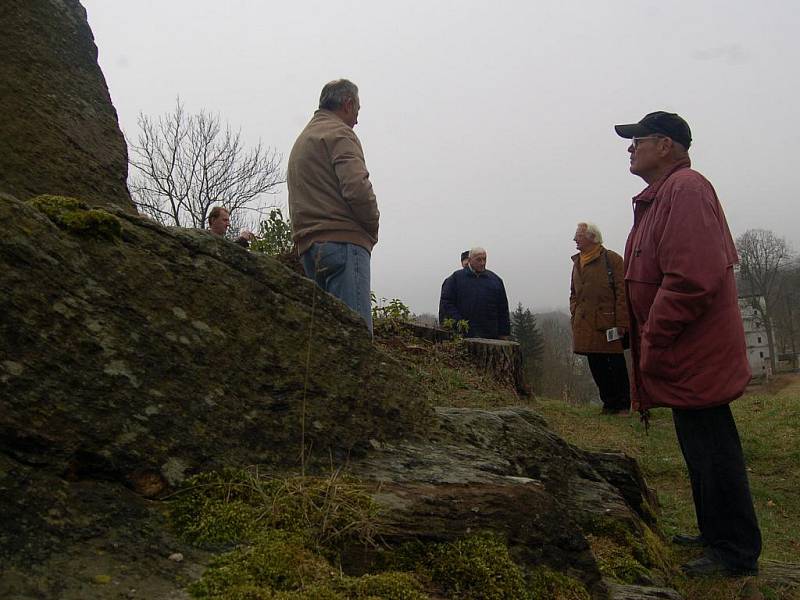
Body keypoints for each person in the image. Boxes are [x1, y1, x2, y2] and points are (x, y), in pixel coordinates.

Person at [615, 111, 761, 577]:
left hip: (692, 349)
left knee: (714, 448)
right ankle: (714, 533)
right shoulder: (664, 195)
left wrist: (655, 338)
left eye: (638, 140)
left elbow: (692, 279)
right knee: (699, 447)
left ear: (666, 145)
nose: (630, 148)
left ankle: (734, 551)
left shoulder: (686, 189)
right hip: (683, 351)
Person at [287, 79, 379, 333]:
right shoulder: (340, 133)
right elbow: (357, 189)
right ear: (348, 104)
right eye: (357, 111)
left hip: (309, 248)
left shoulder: (304, 138)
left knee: (329, 340)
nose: (357, 121)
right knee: (355, 338)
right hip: (344, 244)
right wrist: (372, 226)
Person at [569, 222, 630, 415]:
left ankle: (622, 404)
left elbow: (623, 294)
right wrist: (574, 311)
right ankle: (608, 403)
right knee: (595, 363)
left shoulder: (612, 259)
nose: (575, 239)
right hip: (585, 323)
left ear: (592, 237)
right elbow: (573, 292)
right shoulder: (577, 262)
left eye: (578, 235)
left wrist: (621, 322)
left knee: (614, 363)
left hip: (608, 323)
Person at [439, 247, 510, 339]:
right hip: (463, 335)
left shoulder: (495, 281)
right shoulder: (455, 279)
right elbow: (446, 304)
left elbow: (503, 309)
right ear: (470, 260)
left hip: (490, 336)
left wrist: (504, 333)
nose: (482, 263)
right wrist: (460, 324)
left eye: (484, 259)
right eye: (478, 259)